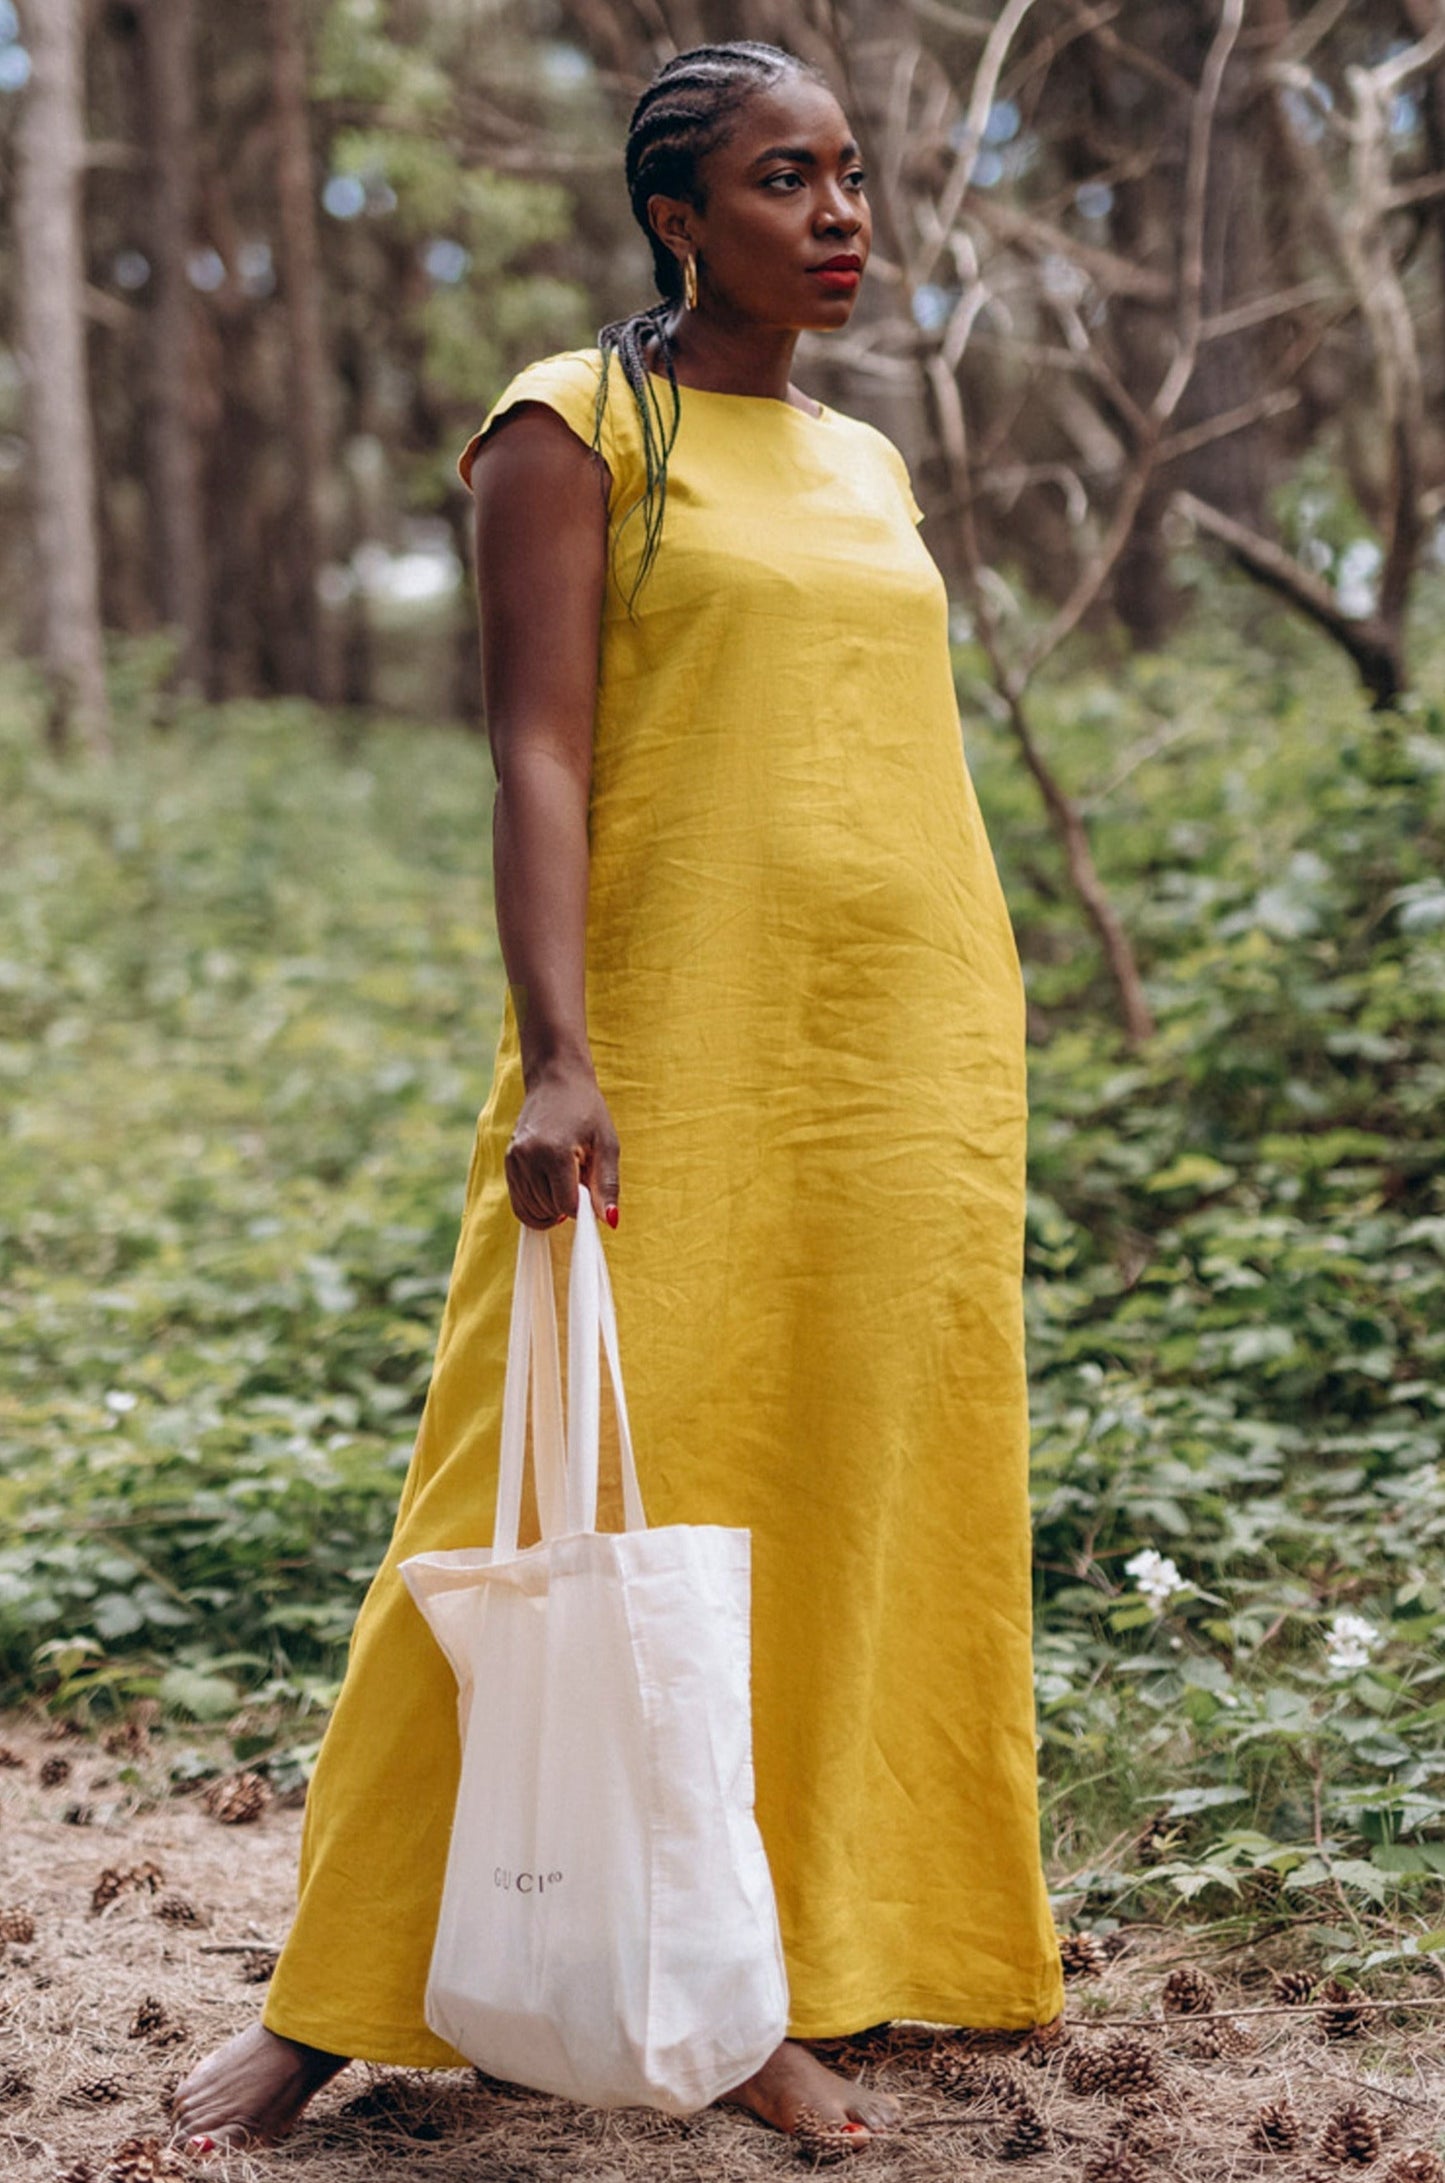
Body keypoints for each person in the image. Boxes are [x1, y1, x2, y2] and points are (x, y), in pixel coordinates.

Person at [173, 38, 1063, 2159]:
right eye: (785, 180)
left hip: (905, 1051)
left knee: (848, 1480)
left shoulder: (863, 463)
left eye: (851, 176)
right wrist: (562, 1048)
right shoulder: (573, 427)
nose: (841, 215)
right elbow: (542, 755)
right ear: (679, 214)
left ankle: (787, 1967)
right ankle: (335, 1998)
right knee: (522, 1493)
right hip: (667, 1042)